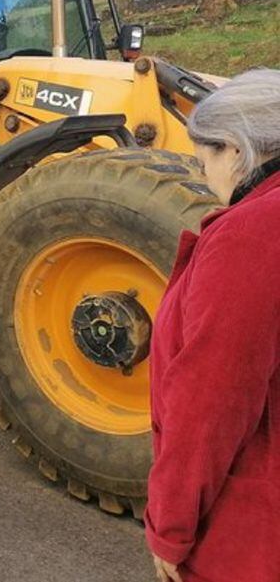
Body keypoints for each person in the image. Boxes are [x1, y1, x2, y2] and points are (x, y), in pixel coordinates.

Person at [146, 69, 280, 582]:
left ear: (236, 149)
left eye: (204, 163)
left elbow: (211, 399)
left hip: (250, 531)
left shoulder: (250, 236)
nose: (209, 182)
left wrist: (170, 526)